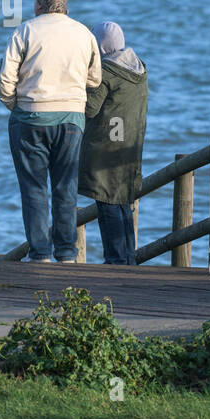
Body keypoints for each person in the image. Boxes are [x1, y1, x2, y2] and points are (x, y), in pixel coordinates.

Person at [0, 0, 101, 263]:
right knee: (66, 189)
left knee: (34, 189)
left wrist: (15, 106)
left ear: (38, 3)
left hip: (30, 118)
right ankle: (66, 253)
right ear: (66, 4)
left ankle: (40, 253)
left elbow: (5, 81)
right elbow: (95, 79)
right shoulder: (84, 33)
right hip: (71, 119)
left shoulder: (25, 30)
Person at [79, 21, 148, 265]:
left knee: (107, 201)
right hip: (128, 144)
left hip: (106, 147)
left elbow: (89, 108)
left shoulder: (107, 72)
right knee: (122, 203)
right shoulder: (138, 69)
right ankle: (127, 259)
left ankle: (116, 262)